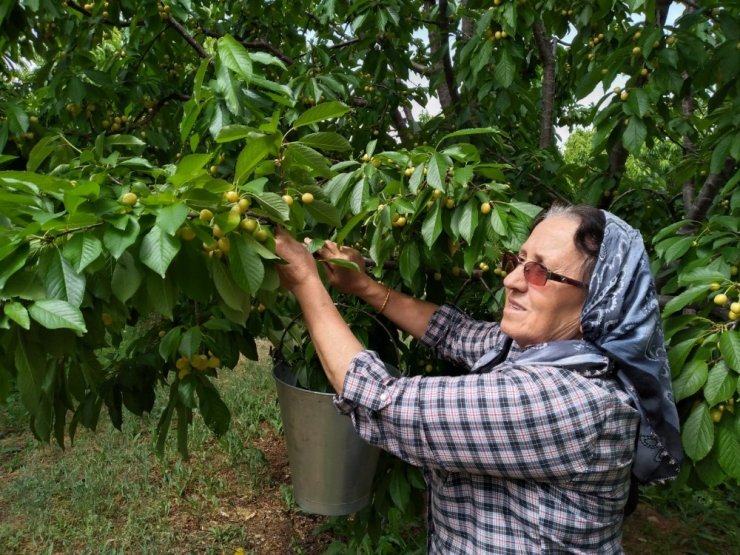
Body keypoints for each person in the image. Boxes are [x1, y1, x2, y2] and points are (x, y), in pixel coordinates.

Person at [274, 204, 682, 554]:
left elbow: (380, 400)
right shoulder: (540, 349)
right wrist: (363, 286)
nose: (511, 281)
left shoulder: (571, 402)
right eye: (518, 261)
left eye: (540, 273)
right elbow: (453, 332)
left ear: (599, 299)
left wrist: (307, 283)